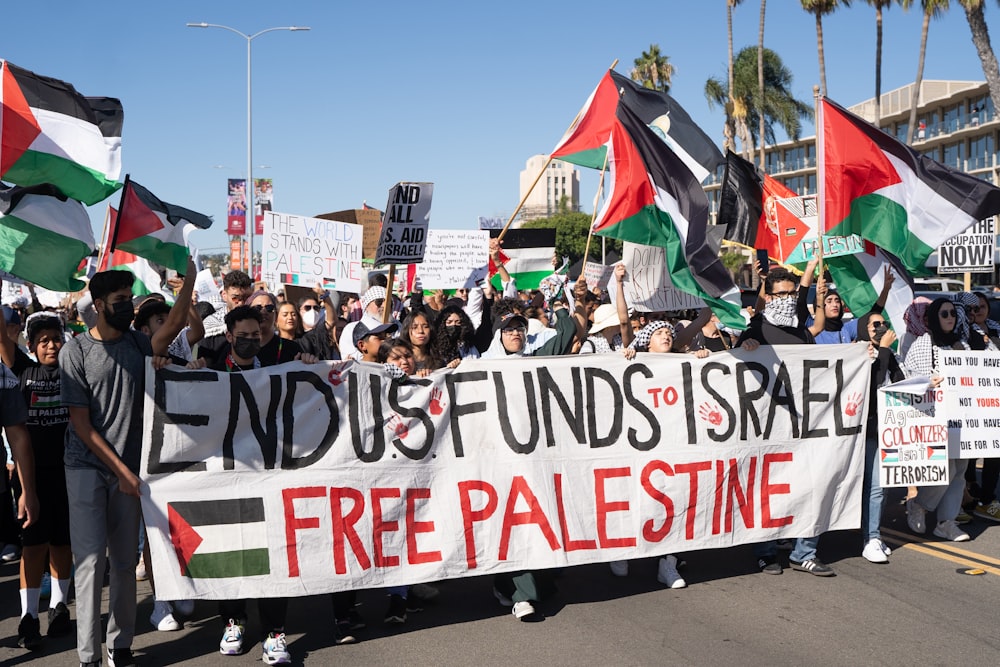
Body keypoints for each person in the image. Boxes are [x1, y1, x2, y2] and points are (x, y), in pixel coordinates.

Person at [60, 268, 189, 667]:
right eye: (119, 302)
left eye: (130, 301)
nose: (128, 309)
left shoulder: (138, 342)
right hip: (87, 468)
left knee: (121, 562)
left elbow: (175, 324)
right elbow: (81, 425)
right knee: (89, 564)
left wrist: (191, 281)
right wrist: (122, 472)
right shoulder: (75, 352)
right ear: (97, 306)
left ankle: (120, 646)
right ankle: (88, 657)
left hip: (129, 473)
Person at [738, 260, 835, 576]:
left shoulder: (799, 332)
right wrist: (747, 349)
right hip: (767, 428)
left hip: (803, 426)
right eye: (780, 294)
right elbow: (731, 370)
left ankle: (804, 552)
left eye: (792, 293)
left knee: (811, 487)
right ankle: (766, 552)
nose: (788, 299)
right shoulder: (755, 329)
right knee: (770, 492)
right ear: (769, 297)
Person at [608, 319, 710, 587]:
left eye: (669, 333)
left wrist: (701, 357)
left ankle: (668, 563)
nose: (666, 336)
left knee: (676, 501)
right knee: (634, 498)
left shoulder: (683, 362)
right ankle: (622, 549)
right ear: (647, 341)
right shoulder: (631, 362)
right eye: (659, 333)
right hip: (638, 446)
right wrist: (623, 358)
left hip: (675, 444)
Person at [1, 311, 72, 649]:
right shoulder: (20, 369)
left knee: (62, 542)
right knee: (33, 543)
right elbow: (3, 340)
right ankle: (29, 615)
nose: (51, 346)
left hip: (69, 470)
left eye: (55, 339)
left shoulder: (72, 371)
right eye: (43, 341)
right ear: (30, 345)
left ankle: (59, 606)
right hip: (31, 475)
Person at [901, 297, 972, 542]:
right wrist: (929, 381)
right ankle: (919, 504)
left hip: (963, 417)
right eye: (944, 314)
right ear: (933, 317)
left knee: (959, 470)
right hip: (936, 417)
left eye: (952, 313)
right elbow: (910, 378)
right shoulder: (923, 344)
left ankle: (947, 522)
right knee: (946, 469)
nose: (950, 317)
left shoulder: (961, 344)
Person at [855, 312, 904, 563]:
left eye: (883, 323)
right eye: (875, 324)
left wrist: (928, 385)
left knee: (881, 488)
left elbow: (900, 383)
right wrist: (883, 350)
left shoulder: (889, 354)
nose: (880, 327)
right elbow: (871, 385)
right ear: (864, 328)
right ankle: (870, 536)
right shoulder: (856, 352)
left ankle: (872, 535)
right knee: (871, 488)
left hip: (883, 429)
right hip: (861, 432)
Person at [958, 292, 1000, 521]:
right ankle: (969, 491)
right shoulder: (961, 331)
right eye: (972, 309)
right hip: (971, 399)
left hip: (994, 399)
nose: (977, 312)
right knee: (970, 450)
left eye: (981, 307)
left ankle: (987, 498)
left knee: (995, 450)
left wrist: (989, 340)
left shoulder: (995, 328)